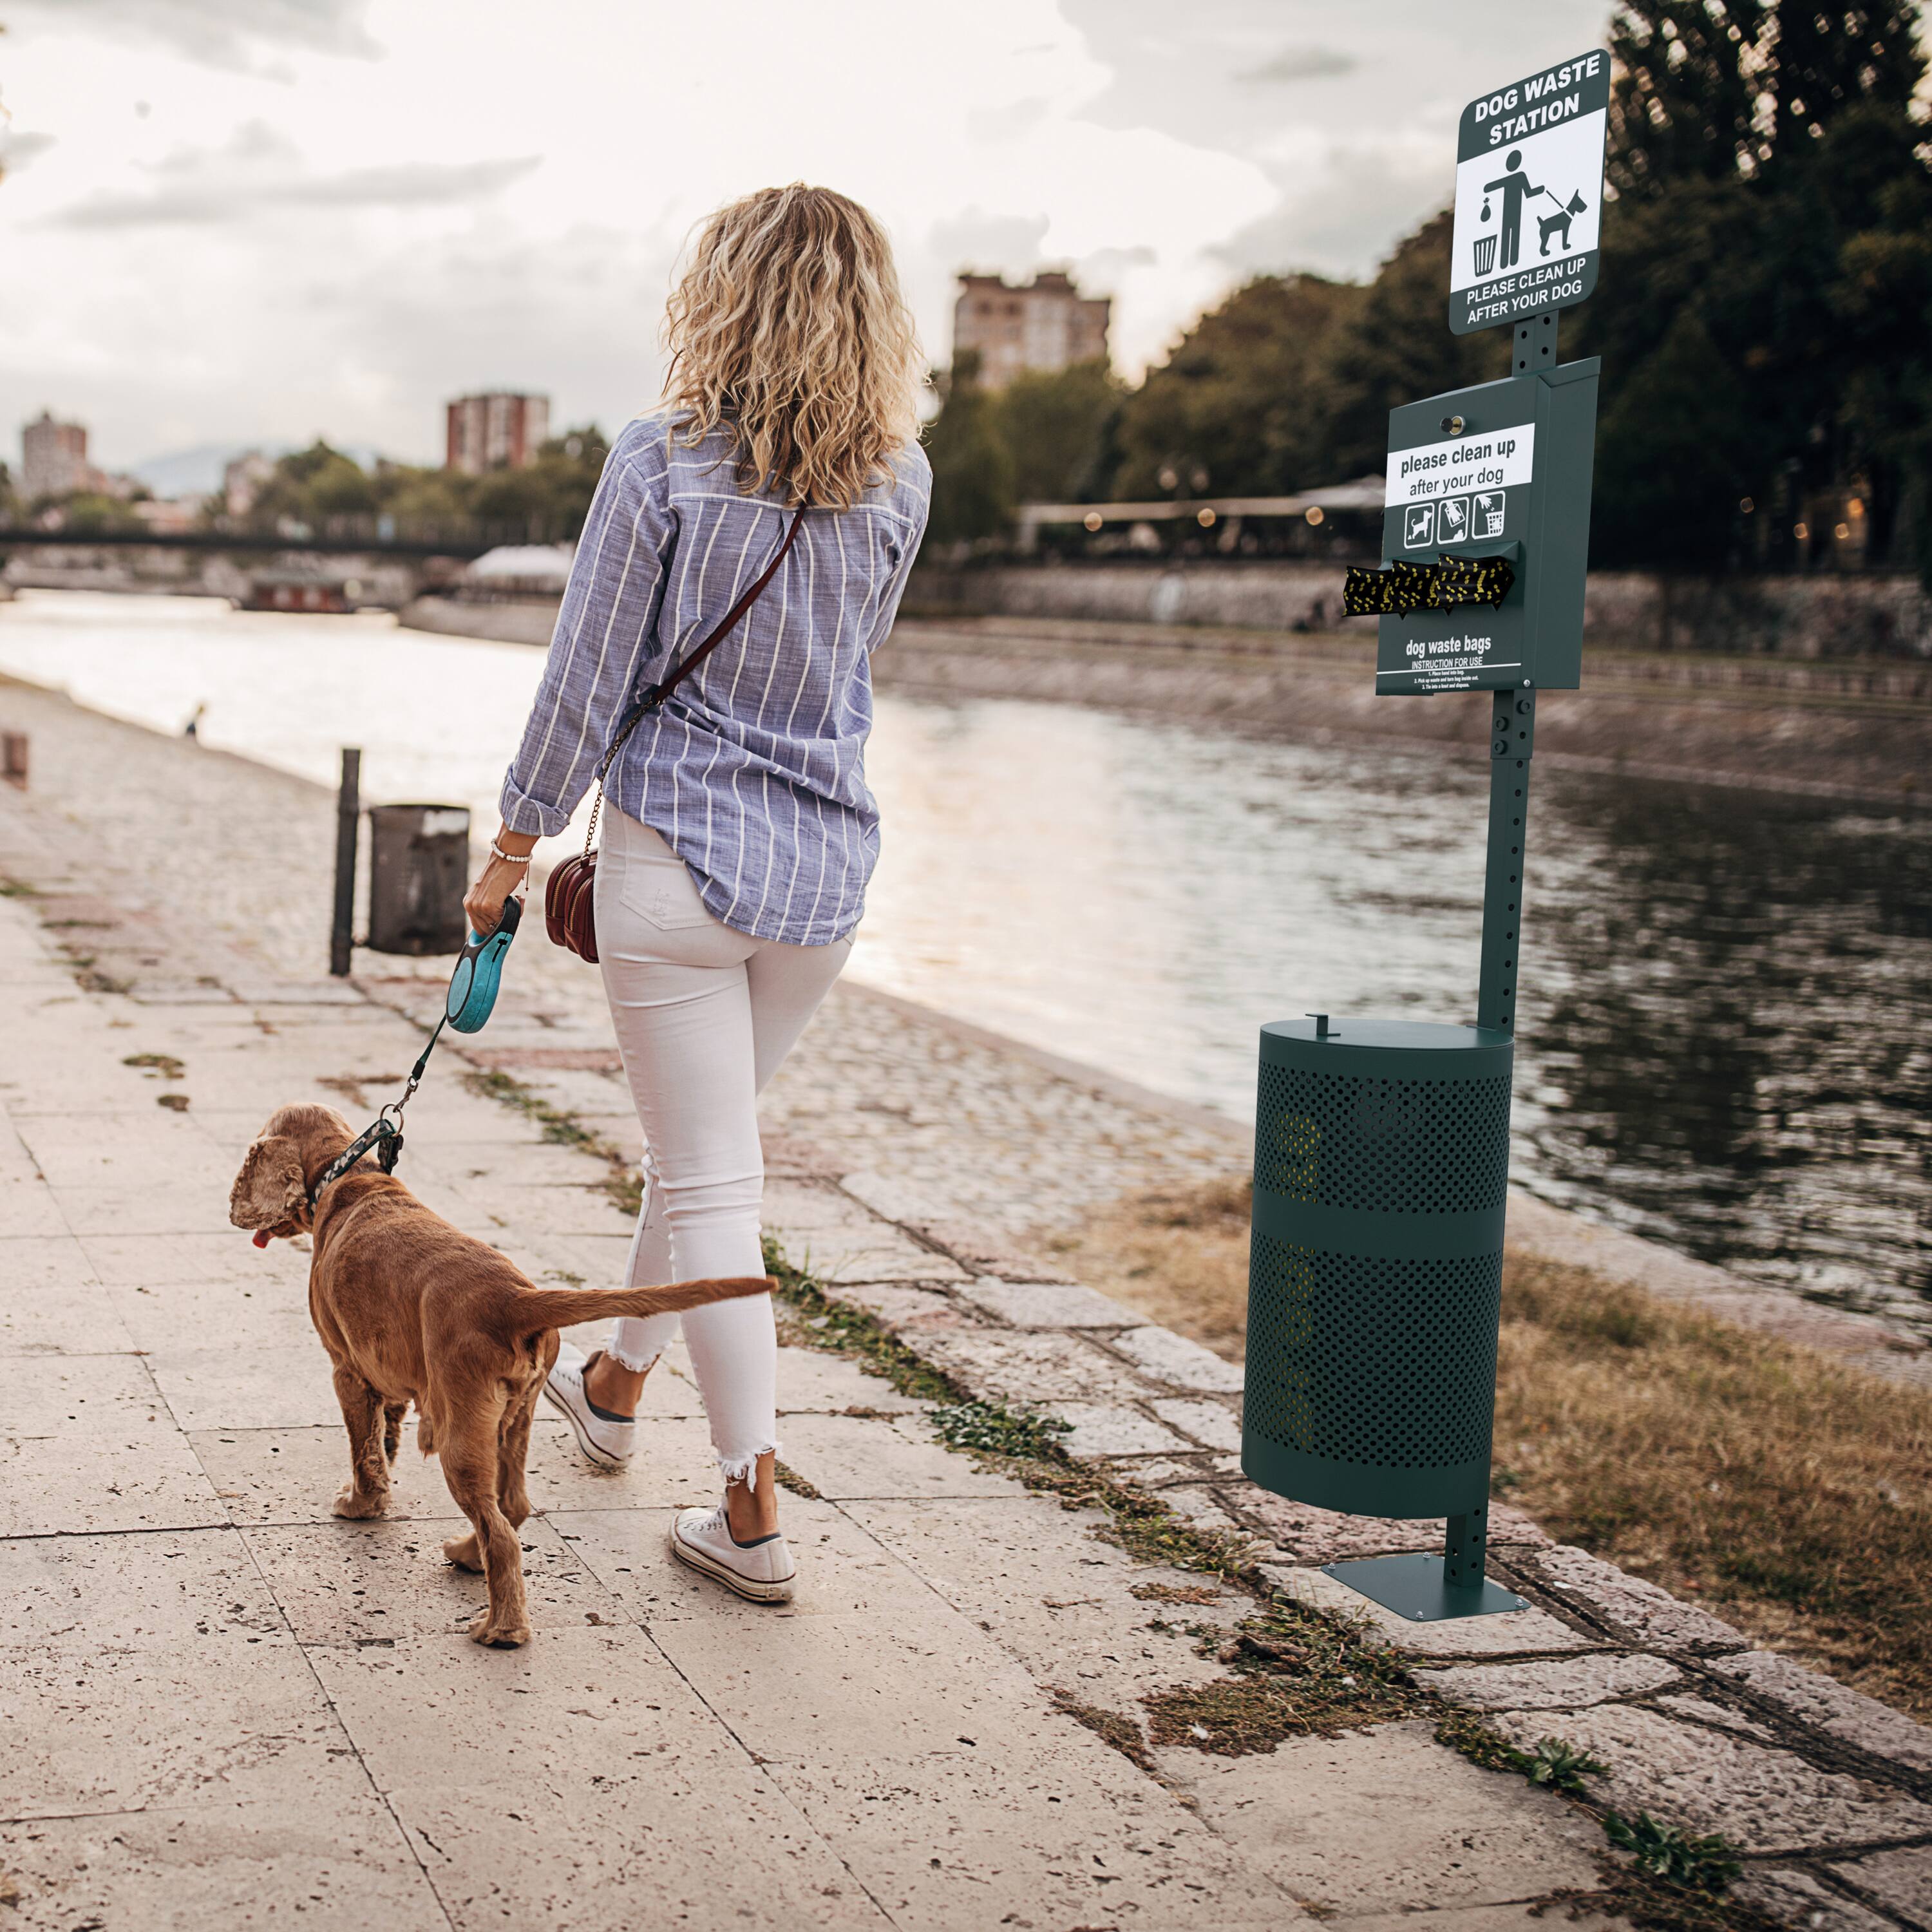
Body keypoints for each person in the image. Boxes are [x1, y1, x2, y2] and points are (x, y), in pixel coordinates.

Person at [462, 185, 929, 1604]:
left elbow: (586, 677)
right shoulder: (903, 480)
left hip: (673, 859)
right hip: (822, 878)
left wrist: (512, 848)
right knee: (707, 1156)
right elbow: (851, 680)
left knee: (717, 1177)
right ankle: (611, 1388)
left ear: (721, 296)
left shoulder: (661, 461)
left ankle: (751, 1510)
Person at [1482, 148, 1543, 270]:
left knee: (1513, 234)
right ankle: (1505, 263)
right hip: (1508, 212)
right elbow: (1488, 187)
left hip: (1515, 211)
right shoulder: (1514, 177)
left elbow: (1529, 193)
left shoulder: (1521, 176)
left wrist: (1540, 190)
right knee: (1508, 234)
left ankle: (1512, 262)